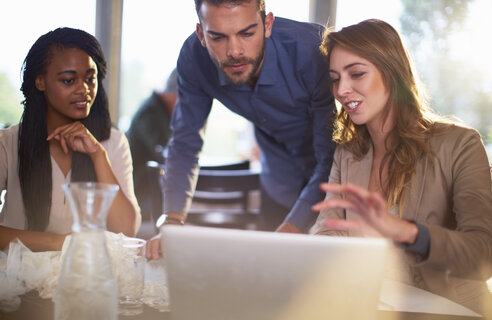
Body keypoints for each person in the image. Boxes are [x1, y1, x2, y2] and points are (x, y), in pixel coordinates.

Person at [310, 19, 492, 314]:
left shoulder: (460, 144)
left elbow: (484, 254)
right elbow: (327, 231)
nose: (342, 90)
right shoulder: (348, 153)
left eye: (356, 74)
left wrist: (408, 232)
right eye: (334, 79)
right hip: (373, 311)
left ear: (392, 72)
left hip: (452, 314)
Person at [146, 0, 336, 258]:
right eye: (218, 37)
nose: (234, 51)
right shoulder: (194, 58)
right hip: (278, 181)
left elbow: (330, 156)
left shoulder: (312, 51)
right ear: (201, 34)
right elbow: (184, 144)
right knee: (265, 282)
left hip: (333, 185)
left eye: (247, 33)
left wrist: (294, 226)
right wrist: (172, 221)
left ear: (267, 24)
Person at [0, 27, 141, 252]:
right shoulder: (8, 143)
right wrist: (64, 243)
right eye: (68, 80)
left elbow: (126, 230)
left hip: (86, 278)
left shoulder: (112, 142)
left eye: (90, 79)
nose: (84, 90)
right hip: (18, 280)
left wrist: (98, 155)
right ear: (40, 82)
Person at [126, 68, 178, 221]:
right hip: (140, 194)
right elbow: (165, 153)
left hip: (151, 190)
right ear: (175, 96)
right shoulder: (150, 113)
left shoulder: (159, 110)